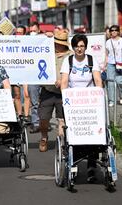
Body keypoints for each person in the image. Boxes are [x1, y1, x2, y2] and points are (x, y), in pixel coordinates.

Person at [60, 34, 102, 182]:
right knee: (75, 132)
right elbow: (64, 81)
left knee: (92, 133)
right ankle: (75, 163)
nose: (79, 49)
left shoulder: (91, 60)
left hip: (89, 100)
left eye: (82, 46)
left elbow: (97, 79)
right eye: (77, 46)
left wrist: (99, 94)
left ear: (85, 47)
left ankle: (91, 166)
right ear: (73, 47)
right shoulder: (68, 61)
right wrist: (65, 98)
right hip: (73, 101)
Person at [37, 29, 72, 152]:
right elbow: (32, 45)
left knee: (62, 118)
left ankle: (61, 141)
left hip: (63, 92)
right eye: (56, 42)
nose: (58, 45)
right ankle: (44, 137)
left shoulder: (70, 56)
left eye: (60, 43)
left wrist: (62, 81)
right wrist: (44, 36)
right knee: (43, 118)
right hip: (47, 90)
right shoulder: (47, 52)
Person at [27, 21, 42, 133]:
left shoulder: (43, 40)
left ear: (39, 31)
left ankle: (44, 122)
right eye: (31, 31)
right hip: (32, 76)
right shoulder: (26, 42)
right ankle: (36, 123)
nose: (32, 33)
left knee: (45, 102)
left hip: (45, 76)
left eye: (34, 31)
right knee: (34, 102)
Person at [105, 25, 122, 107]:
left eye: (115, 30)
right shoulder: (108, 42)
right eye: (112, 30)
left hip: (120, 64)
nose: (114, 32)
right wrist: (105, 64)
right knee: (110, 82)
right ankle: (111, 100)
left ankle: (121, 97)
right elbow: (106, 54)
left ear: (118, 31)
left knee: (119, 81)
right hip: (110, 64)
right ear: (110, 32)